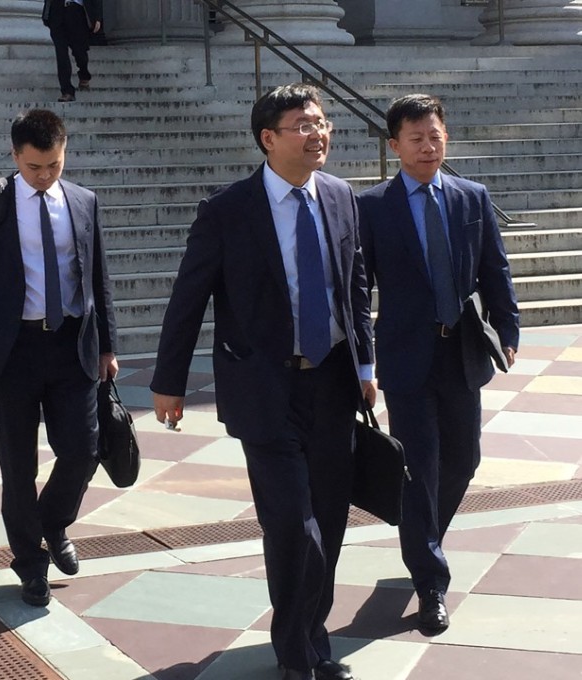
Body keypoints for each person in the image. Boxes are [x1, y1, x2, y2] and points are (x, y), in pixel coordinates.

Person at [150, 83, 375, 680]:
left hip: (331, 383)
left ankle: (311, 632)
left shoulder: (342, 197)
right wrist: (168, 380)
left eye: (321, 122)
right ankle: (297, 652)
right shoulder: (227, 211)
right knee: (292, 524)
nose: (317, 133)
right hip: (264, 390)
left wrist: (366, 367)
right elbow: (188, 297)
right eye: (302, 124)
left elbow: (354, 290)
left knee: (328, 518)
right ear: (268, 138)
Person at [357, 94, 519, 636]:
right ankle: (430, 581)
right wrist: (363, 359)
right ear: (394, 145)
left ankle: (421, 534)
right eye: (416, 138)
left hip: (462, 352)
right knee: (418, 466)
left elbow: (495, 269)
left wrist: (508, 329)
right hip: (404, 358)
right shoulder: (373, 207)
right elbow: (360, 289)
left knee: (464, 460)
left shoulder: (472, 198)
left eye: (435, 136)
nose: (428, 147)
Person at [0, 108, 118, 607]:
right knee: (17, 465)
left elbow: (99, 278)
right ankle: (30, 563)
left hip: (72, 346)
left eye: (54, 166)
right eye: (34, 167)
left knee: (83, 451)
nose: (44, 176)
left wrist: (107, 345)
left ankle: (52, 522)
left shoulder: (84, 202)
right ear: (15, 156)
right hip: (13, 349)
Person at [42, 0, 102, 102]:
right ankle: (67, 91)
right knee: (61, 54)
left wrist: (97, 17)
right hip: (57, 12)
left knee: (80, 52)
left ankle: (84, 74)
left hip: (76, 12)